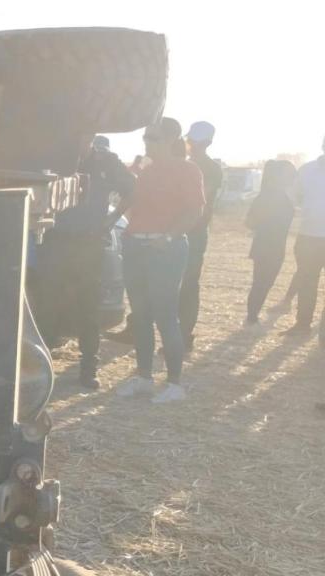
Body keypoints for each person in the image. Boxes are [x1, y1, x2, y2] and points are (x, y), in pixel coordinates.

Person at [116, 118, 205, 403]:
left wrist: (166, 237)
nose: (146, 142)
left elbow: (194, 211)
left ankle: (175, 383)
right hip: (136, 245)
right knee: (140, 314)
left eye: (152, 138)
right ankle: (144, 377)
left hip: (165, 249)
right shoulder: (145, 170)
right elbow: (131, 204)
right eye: (145, 137)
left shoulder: (187, 169)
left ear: (170, 139)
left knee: (166, 315)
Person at [46, 135, 134, 389]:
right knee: (48, 305)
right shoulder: (58, 155)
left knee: (89, 308)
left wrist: (112, 218)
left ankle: (88, 369)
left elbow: (132, 189)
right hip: (54, 239)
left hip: (89, 243)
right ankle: (42, 367)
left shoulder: (105, 161)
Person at [178, 121, 223, 351]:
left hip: (193, 233)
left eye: (195, 141)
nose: (192, 145)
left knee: (187, 285)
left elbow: (200, 201)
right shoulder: (185, 164)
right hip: (180, 229)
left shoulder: (210, 169)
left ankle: (184, 335)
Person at [283, 137, 325, 339]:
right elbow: (294, 195)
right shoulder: (307, 170)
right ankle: (303, 324)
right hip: (308, 235)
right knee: (307, 281)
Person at [245, 160, 297, 325]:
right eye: (288, 174)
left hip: (274, 245)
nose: (291, 177)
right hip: (266, 245)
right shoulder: (269, 195)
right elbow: (250, 221)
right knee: (262, 282)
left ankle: (252, 315)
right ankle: (252, 317)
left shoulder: (280, 194)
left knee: (264, 282)